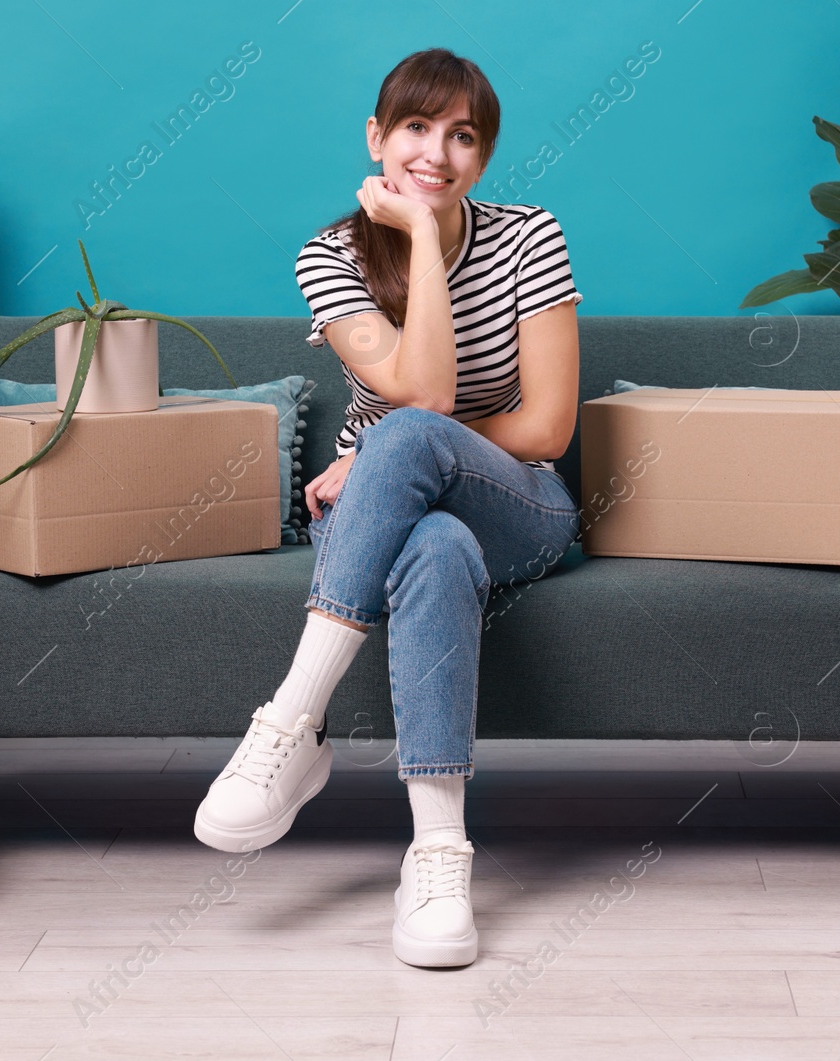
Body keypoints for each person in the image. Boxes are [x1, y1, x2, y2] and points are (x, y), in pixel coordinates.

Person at [193, 47, 583, 970]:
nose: (437, 154)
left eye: (463, 136)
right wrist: (412, 237)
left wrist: (382, 446)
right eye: (415, 127)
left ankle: (291, 722)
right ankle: (438, 857)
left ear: (483, 159)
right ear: (377, 137)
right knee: (436, 544)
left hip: (522, 505)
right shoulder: (327, 255)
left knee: (401, 438)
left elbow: (546, 426)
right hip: (404, 520)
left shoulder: (531, 236)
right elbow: (424, 385)